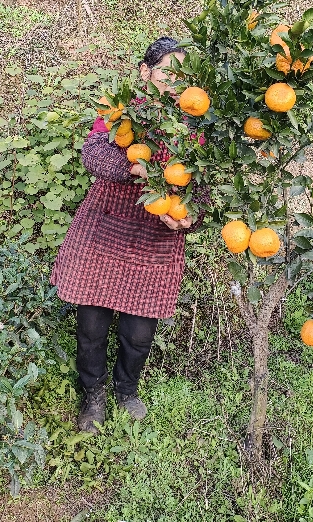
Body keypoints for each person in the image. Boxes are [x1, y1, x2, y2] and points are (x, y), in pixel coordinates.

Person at [50, 37, 206, 432]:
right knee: (91, 327)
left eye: (183, 74)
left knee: (139, 334)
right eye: (167, 71)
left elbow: (202, 190)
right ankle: (93, 394)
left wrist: (190, 219)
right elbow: (94, 155)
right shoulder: (121, 113)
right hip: (105, 229)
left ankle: (126, 389)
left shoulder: (195, 127)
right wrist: (135, 168)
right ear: (145, 71)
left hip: (154, 238)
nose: (175, 81)